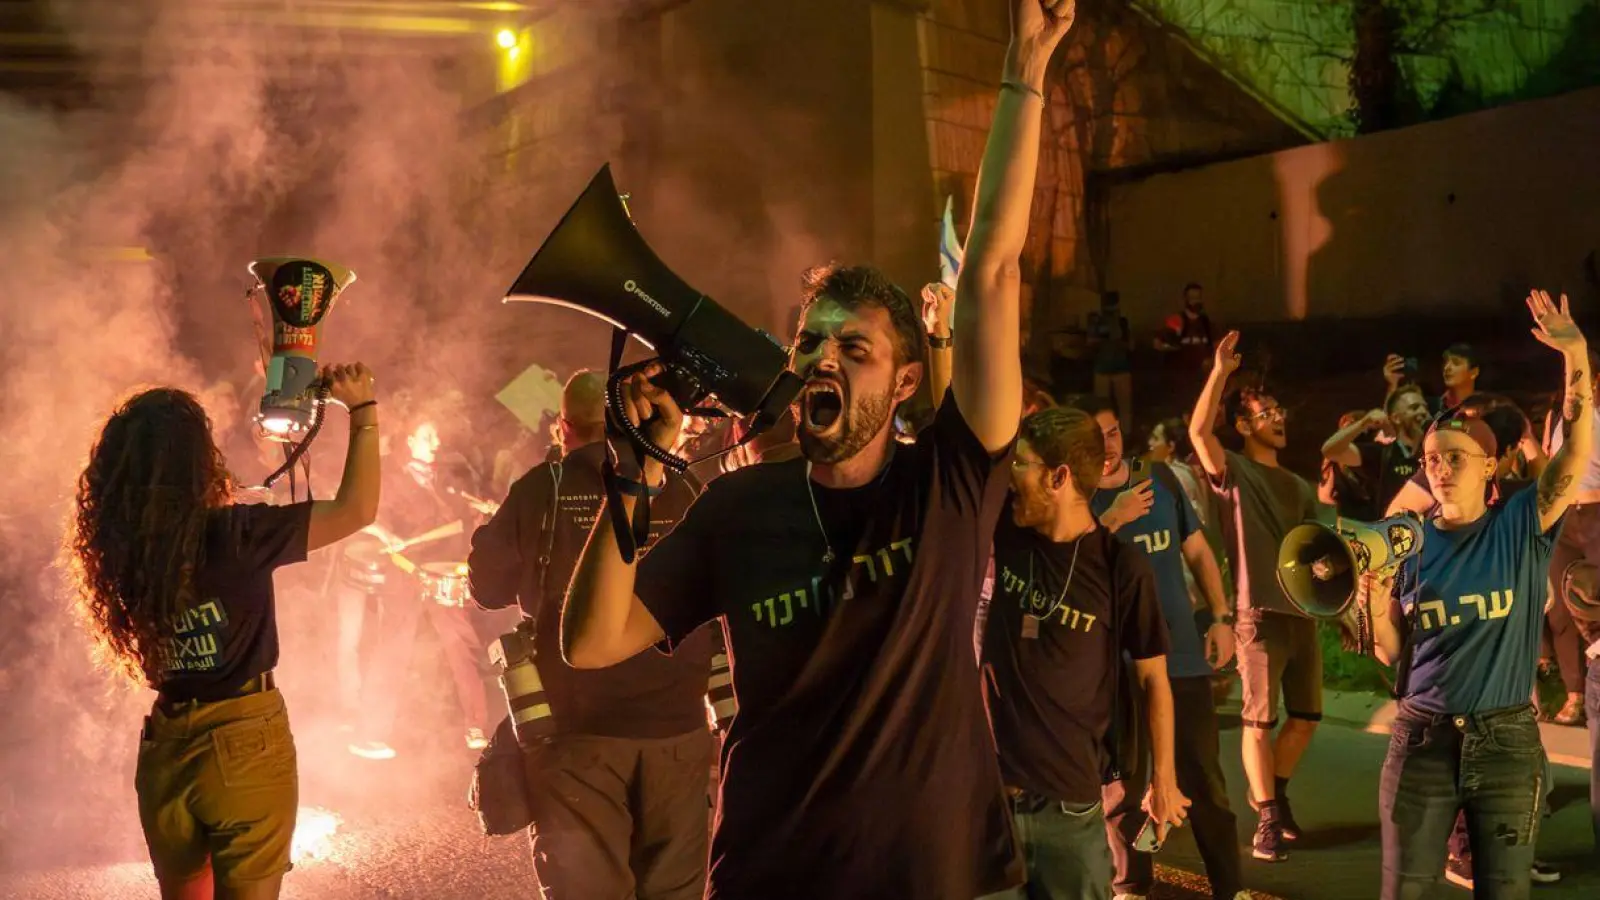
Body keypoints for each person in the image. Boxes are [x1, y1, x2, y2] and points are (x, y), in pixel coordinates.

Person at [558, 3, 1076, 896]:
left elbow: (991, 266)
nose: (821, 358)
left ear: (905, 384)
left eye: (854, 347)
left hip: (933, 877)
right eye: (811, 343)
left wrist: (1023, 73)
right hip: (772, 874)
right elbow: (593, 642)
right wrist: (631, 479)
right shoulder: (737, 507)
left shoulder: (947, 483)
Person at [67, 363, 379, 900]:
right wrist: (365, 412)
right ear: (197, 461)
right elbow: (357, 509)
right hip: (244, 740)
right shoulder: (236, 536)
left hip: (167, 745)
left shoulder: (118, 549)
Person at [1365, 290, 1589, 900]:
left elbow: (1573, 452)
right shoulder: (1405, 540)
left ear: (1489, 469)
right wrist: (1370, 602)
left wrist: (1576, 355)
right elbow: (1390, 653)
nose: (1440, 467)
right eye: (1433, 458)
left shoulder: (1520, 525)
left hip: (1507, 743)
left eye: (1456, 458)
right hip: (1420, 740)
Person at [469, 370, 714, 900]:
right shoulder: (685, 485)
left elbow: (485, 588)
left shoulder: (541, 487)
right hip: (679, 734)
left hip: (576, 739)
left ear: (564, 427)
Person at [978, 407, 1188, 900]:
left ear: (1059, 477)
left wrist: (1165, 779)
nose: (1010, 477)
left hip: (1070, 814)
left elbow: (1154, 679)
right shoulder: (1004, 534)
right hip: (988, 809)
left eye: (1022, 464)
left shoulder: (1121, 568)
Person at [1073, 397, 1244, 900]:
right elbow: (1070, 564)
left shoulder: (1162, 481)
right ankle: (1131, 885)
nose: (1104, 446)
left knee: (1203, 777)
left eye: (1110, 434)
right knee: (1122, 782)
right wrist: (1115, 518)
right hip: (1112, 664)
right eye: (1093, 437)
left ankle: (1229, 888)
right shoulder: (1076, 497)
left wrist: (1220, 617)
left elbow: (1198, 553)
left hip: (1181, 656)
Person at [1188, 331, 1323, 862]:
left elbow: (1321, 556)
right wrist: (1219, 372)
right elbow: (1199, 430)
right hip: (1258, 615)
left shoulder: (1300, 485)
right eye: (1266, 412)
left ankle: (1276, 793)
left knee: (1307, 717)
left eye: (1279, 410)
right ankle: (1266, 817)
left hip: (1302, 615)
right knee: (1258, 721)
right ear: (1243, 426)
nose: (1278, 418)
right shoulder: (1234, 473)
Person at [345, 415, 489, 759]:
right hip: (405, 572)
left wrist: (479, 514)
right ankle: (370, 732)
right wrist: (387, 534)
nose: (436, 444)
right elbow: (368, 515)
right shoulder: (391, 478)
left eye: (436, 437)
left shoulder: (443, 479)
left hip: (440, 574)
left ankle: (478, 726)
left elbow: (459, 518)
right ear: (409, 441)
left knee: (461, 646)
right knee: (392, 650)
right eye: (428, 437)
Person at [1086, 291, 1133, 422]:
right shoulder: (1096, 321)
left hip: (1120, 368)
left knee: (1124, 409)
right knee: (1102, 408)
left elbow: (1129, 345)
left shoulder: (1122, 322)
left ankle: (1126, 436)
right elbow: (1090, 343)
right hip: (1102, 368)